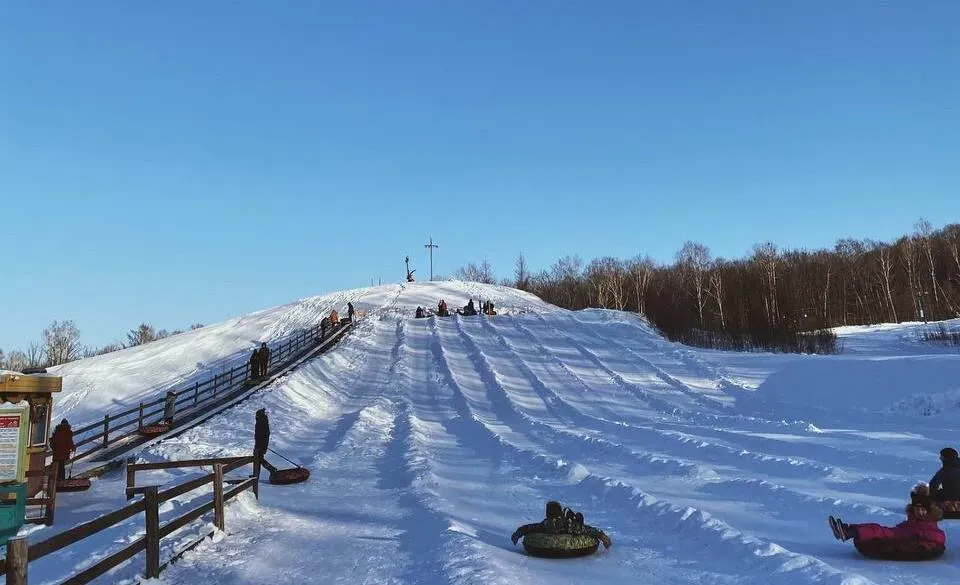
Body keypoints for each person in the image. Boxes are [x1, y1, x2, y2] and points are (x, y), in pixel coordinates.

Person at [829, 483, 945, 552]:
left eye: (923, 508)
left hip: (905, 538)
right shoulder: (913, 519)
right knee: (876, 527)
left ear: (929, 510)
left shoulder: (931, 526)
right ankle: (847, 530)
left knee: (879, 531)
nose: (919, 511)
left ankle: (848, 532)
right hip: (901, 532)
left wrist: (919, 541)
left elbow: (938, 538)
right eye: (917, 508)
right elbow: (907, 526)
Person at [511, 500, 612, 548]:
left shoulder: (552, 525)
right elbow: (529, 528)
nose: (554, 523)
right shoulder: (551, 525)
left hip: (571, 523)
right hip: (568, 524)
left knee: (578, 518)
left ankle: (573, 515)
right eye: (552, 520)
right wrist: (518, 533)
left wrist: (603, 537)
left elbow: (529, 528)